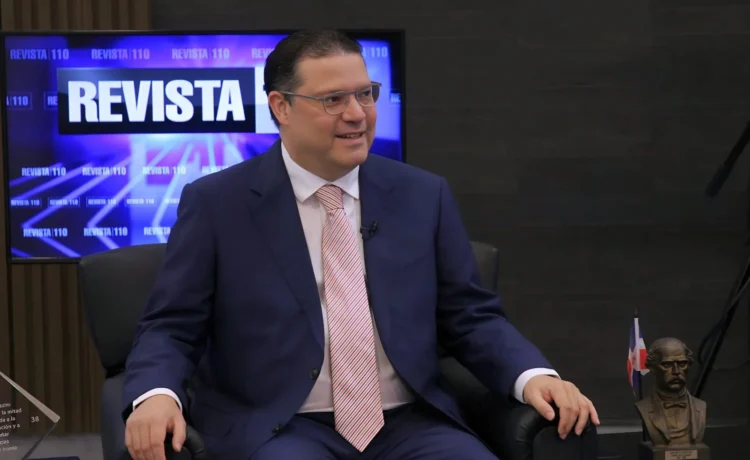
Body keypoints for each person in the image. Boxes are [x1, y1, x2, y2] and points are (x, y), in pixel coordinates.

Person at [122, 29, 600, 460]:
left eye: (365, 94)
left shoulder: (422, 195)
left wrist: (534, 376)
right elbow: (171, 325)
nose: (357, 114)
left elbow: (471, 316)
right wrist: (157, 395)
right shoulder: (217, 204)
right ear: (281, 107)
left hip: (410, 425)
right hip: (282, 427)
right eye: (333, 99)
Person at [635, 338, 706, 446]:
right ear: (652, 367)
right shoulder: (644, 407)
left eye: (682, 364)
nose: (676, 371)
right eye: (667, 365)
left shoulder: (700, 407)